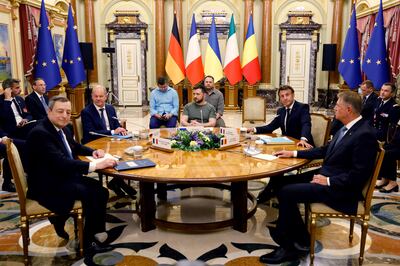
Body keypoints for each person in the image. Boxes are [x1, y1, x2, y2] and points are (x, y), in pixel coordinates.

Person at [259, 91, 378, 264]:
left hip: (340, 190)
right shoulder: (347, 127)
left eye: (337, 105)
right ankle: (301, 238)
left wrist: (328, 181)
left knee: (286, 193)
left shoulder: (364, 135)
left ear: (349, 109)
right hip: (328, 175)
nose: (334, 108)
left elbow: (358, 176)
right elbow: (324, 150)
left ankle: (289, 248)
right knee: (280, 181)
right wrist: (293, 153)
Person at [25, 96, 117, 255]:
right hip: (47, 184)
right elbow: (60, 162)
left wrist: (93, 152)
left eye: (68, 112)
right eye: (60, 111)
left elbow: (75, 146)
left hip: (61, 176)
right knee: (89, 193)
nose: (64, 116)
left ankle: (93, 232)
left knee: (101, 191)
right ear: (49, 111)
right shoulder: (40, 133)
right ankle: (87, 243)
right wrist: (95, 165)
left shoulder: (63, 128)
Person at [248, 85, 314, 203]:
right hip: (286, 144)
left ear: (293, 95)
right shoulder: (281, 111)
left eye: (287, 95)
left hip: (301, 145)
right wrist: (254, 130)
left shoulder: (302, 108)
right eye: (282, 96)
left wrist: (304, 138)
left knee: (278, 162)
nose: (285, 98)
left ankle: (268, 192)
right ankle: (274, 190)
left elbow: (306, 124)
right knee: (273, 159)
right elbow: (271, 127)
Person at [81, 84, 136, 198]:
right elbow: (91, 132)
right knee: (115, 158)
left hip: (112, 142)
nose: (98, 99)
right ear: (92, 96)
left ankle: (117, 181)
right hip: (95, 144)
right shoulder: (86, 111)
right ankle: (117, 182)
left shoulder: (110, 108)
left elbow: (116, 125)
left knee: (128, 155)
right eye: (96, 96)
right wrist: (112, 132)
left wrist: (122, 130)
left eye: (101, 96)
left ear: (106, 97)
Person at [375, 105, 400, 193]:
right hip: (397, 142)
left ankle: (393, 183)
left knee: (389, 154)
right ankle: (384, 178)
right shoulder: (397, 109)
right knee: (382, 150)